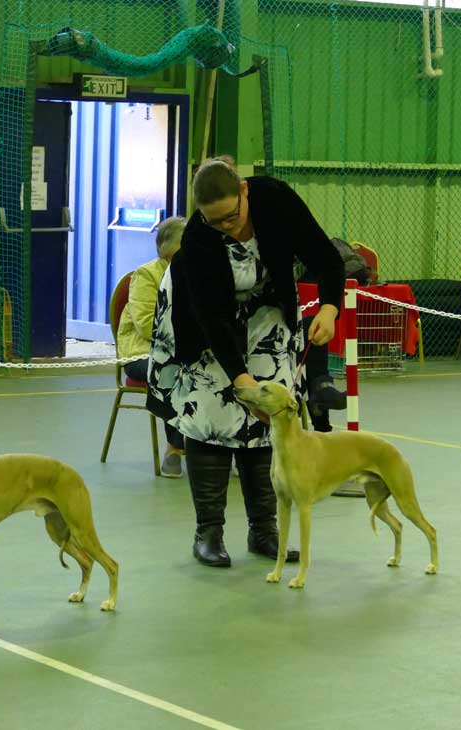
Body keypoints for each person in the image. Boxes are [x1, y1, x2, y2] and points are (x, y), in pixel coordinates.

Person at [147, 156, 344, 567]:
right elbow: (212, 321)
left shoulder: (276, 200)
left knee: (268, 417)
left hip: (267, 310)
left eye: (232, 216)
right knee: (212, 416)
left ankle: (264, 531)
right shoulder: (199, 241)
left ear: (244, 191)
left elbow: (325, 257)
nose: (226, 226)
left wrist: (329, 308)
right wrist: (241, 381)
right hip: (204, 323)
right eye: (214, 221)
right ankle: (208, 533)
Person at [117, 216, 188, 477]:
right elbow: (147, 324)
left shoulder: (200, 272)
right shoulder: (146, 275)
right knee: (173, 371)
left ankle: (226, 447)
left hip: (185, 350)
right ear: (169, 249)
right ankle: (175, 448)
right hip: (142, 354)